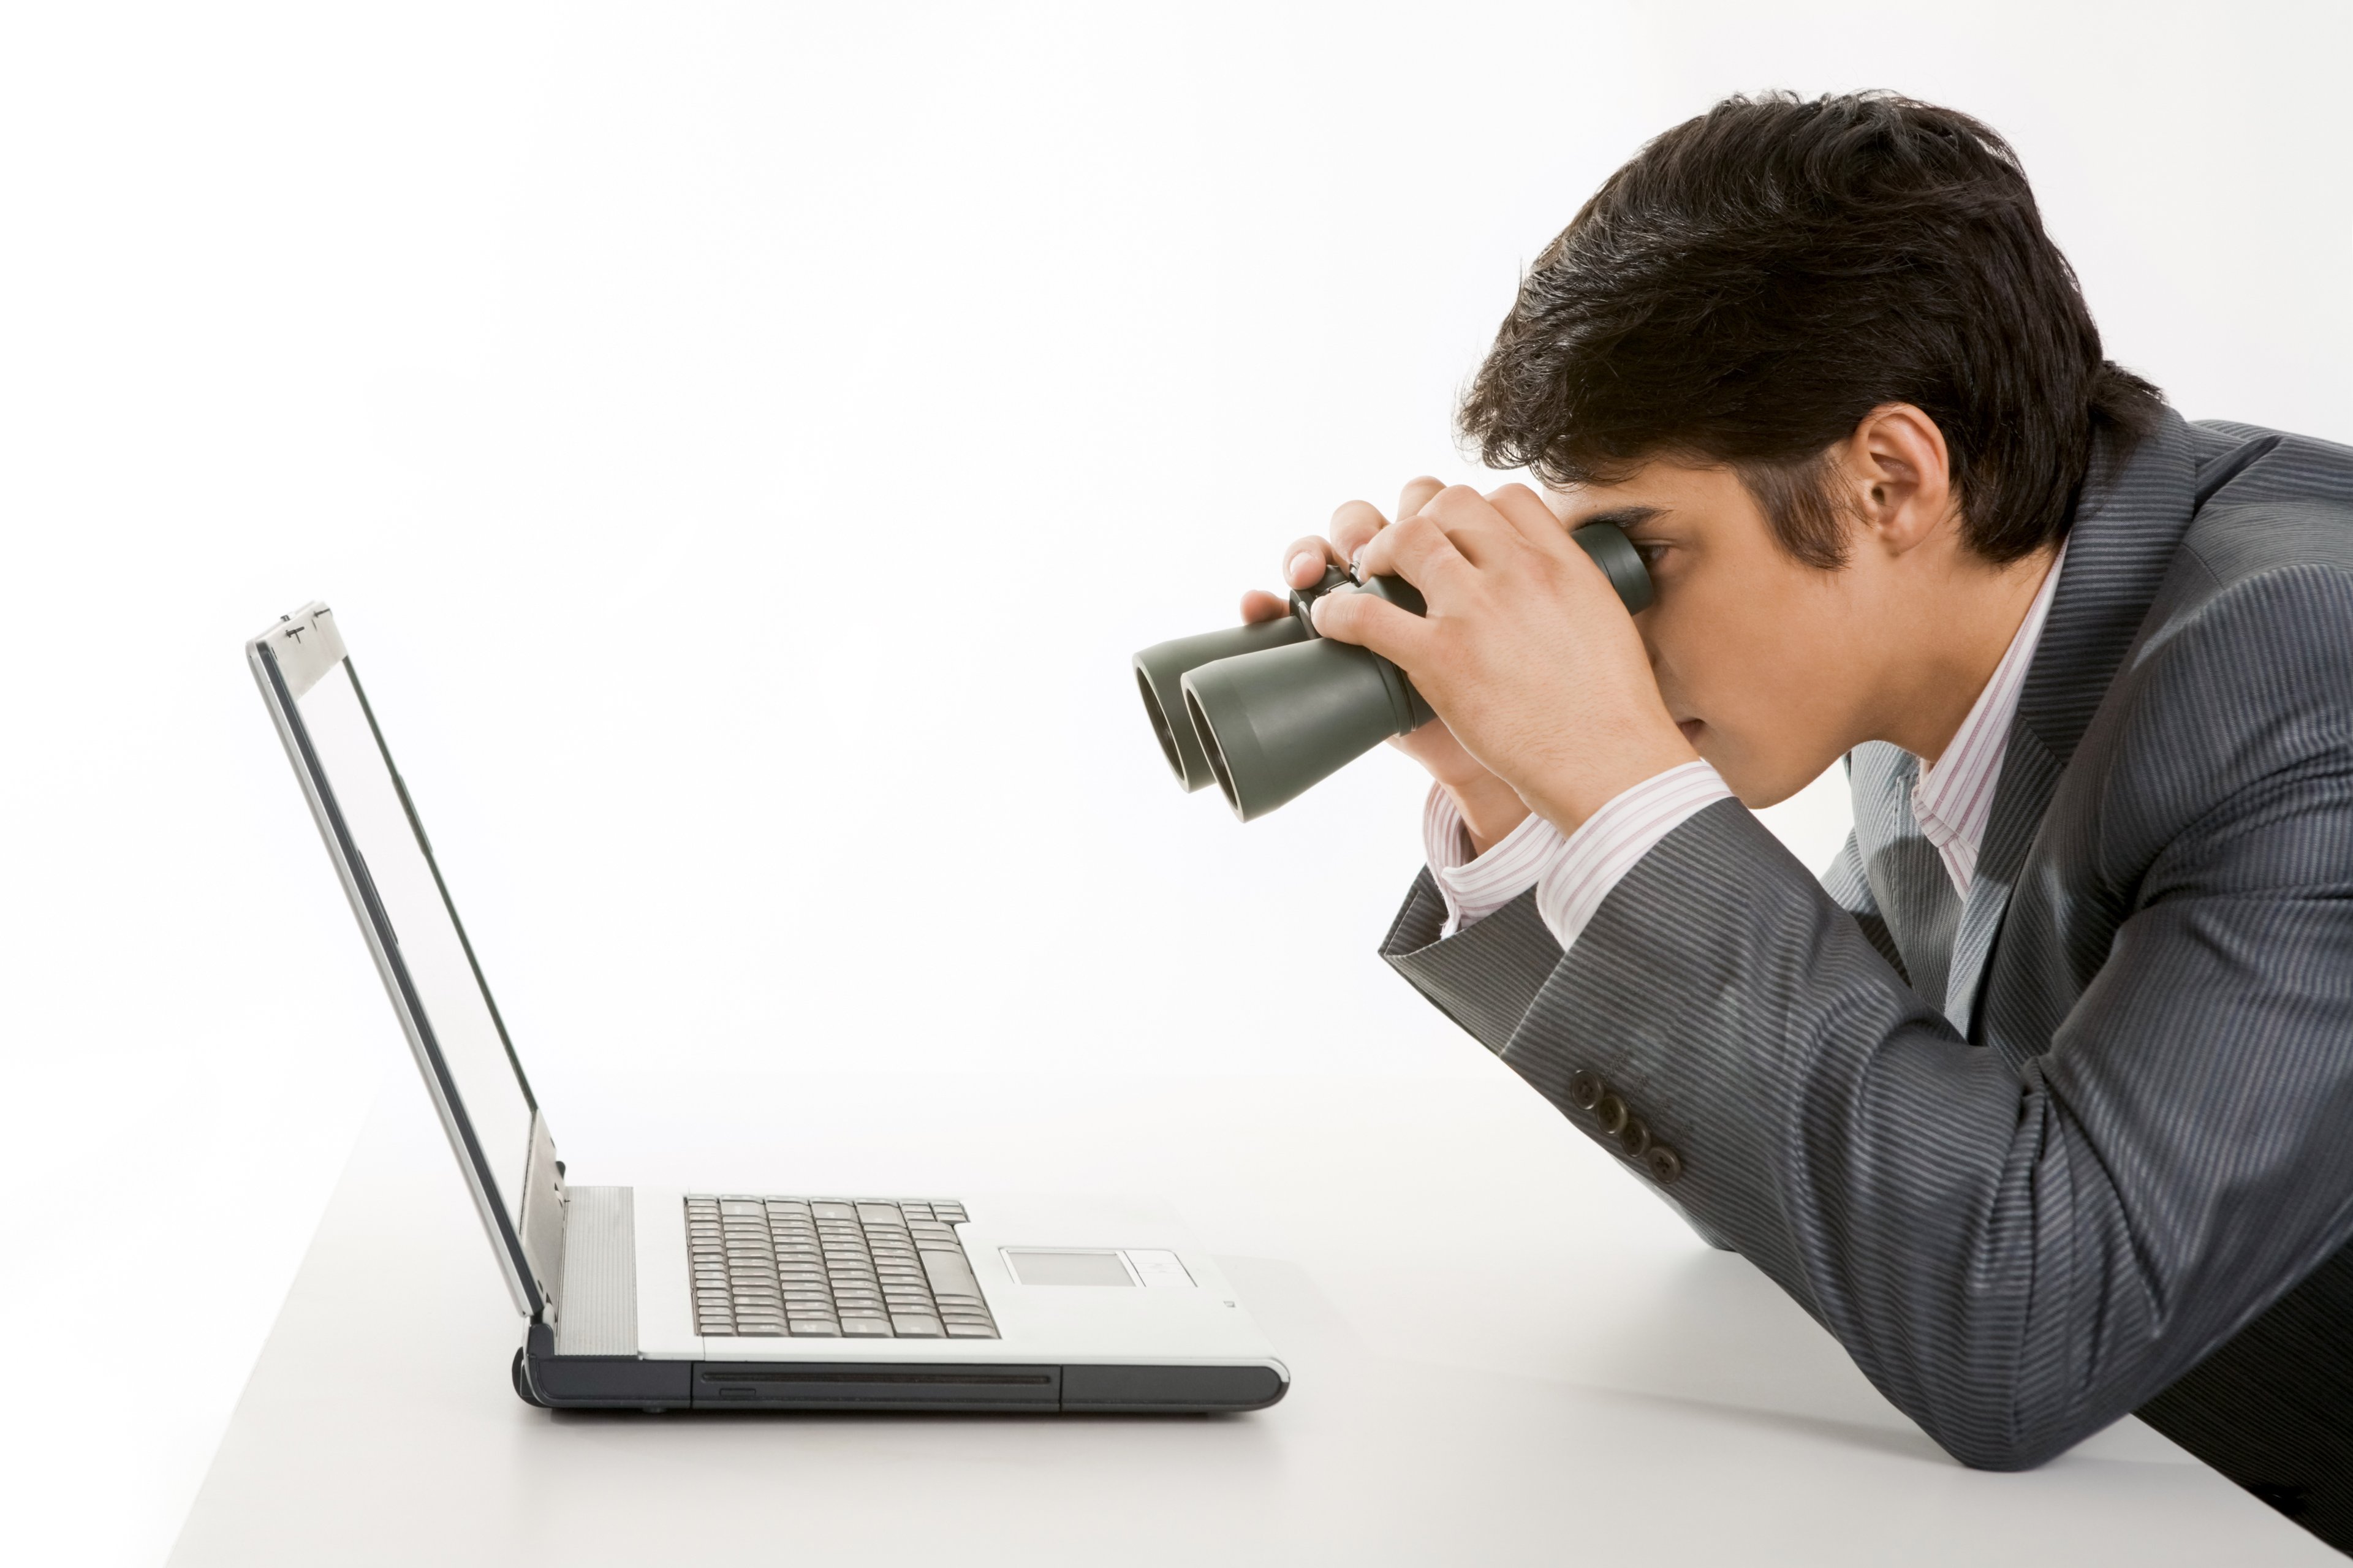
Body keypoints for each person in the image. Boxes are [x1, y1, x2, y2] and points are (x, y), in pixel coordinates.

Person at [1241, 92, 2353, 1551]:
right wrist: (1521, 794)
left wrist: (1624, 784)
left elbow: (2026, 1316)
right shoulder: (1949, 653)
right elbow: (1859, 1183)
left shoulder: (2301, 670)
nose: (1610, 631)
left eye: (1641, 558)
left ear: (1890, 479)